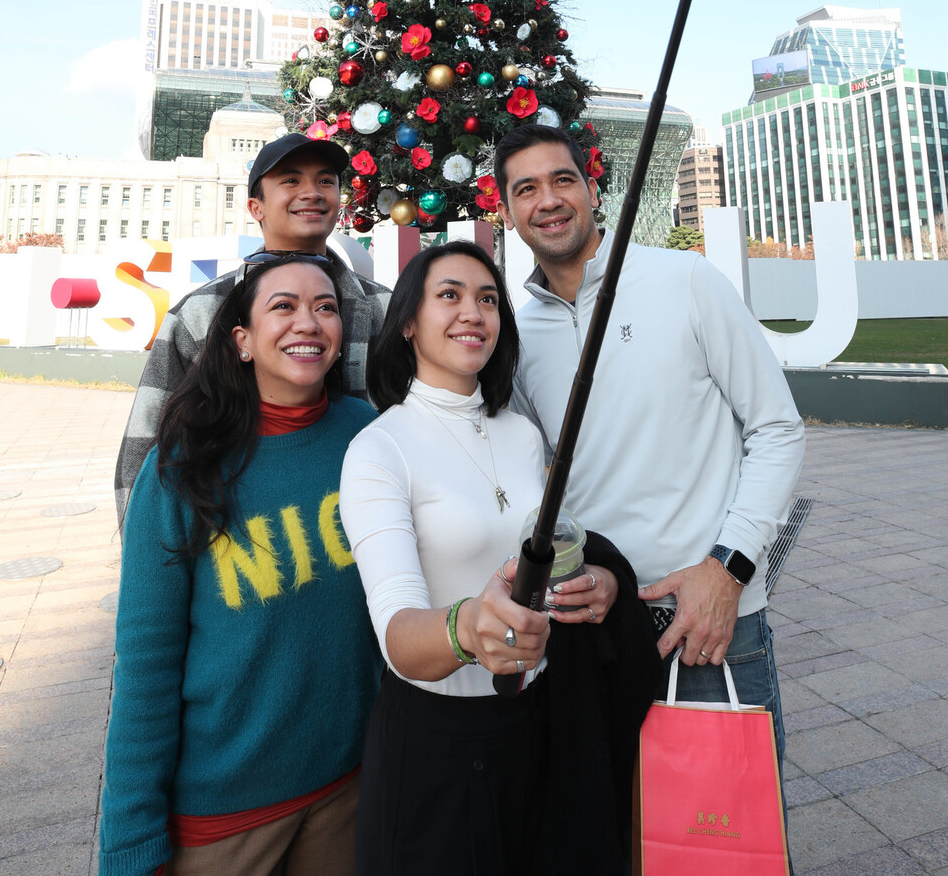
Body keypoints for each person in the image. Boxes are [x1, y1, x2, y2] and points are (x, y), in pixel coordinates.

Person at [339, 241, 661, 876]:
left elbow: (555, 554)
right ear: (408, 321)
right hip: (435, 742)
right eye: (449, 295)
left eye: (488, 299)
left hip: (539, 724)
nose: (473, 312)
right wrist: (466, 627)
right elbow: (400, 634)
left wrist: (598, 584)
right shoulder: (379, 450)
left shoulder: (520, 434)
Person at [493, 124, 805, 771]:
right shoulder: (520, 339)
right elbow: (535, 482)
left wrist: (729, 569)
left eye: (562, 180)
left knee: (727, 848)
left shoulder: (684, 279)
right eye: (526, 188)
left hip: (710, 616)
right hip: (596, 628)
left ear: (591, 188)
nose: (547, 199)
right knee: (618, 839)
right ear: (507, 210)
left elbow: (776, 428)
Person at [99, 253, 381, 876]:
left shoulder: (370, 437)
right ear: (243, 341)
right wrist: (129, 842)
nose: (308, 322)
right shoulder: (181, 464)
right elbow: (146, 658)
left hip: (351, 789)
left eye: (326, 307)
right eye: (283, 307)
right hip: (224, 818)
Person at [115, 134, 390, 523]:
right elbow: (145, 445)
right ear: (255, 207)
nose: (312, 192)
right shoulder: (201, 313)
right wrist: (147, 555)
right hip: (238, 540)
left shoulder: (387, 308)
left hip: (372, 539)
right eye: (291, 181)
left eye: (326, 181)